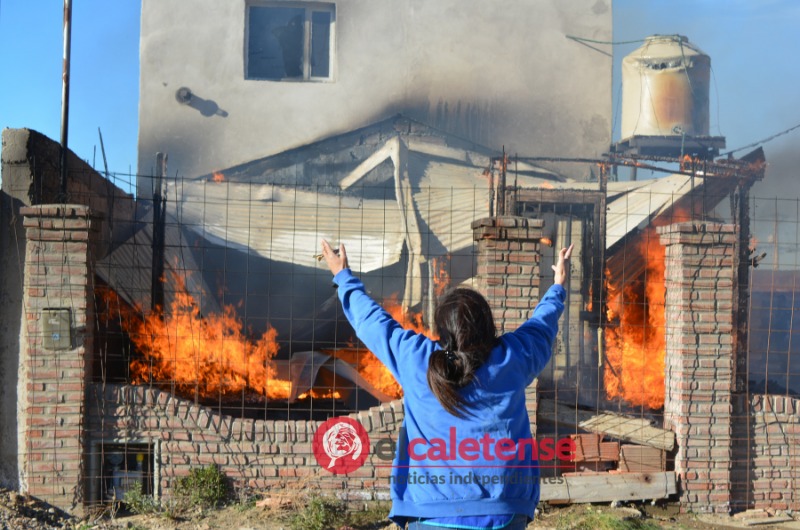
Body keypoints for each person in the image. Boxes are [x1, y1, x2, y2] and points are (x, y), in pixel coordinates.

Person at [320, 239, 573, 529]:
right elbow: (542, 326)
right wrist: (557, 286)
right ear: (488, 326)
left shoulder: (416, 359)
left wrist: (343, 277)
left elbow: (373, 323)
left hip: (431, 516)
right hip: (504, 515)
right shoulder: (512, 358)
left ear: (441, 330)